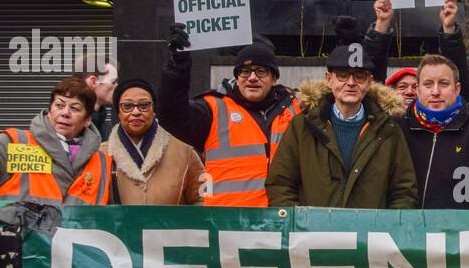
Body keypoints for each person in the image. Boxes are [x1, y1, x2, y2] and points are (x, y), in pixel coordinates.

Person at [265, 19, 417, 209]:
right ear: (329, 79)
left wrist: (388, 229)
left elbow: (404, 191)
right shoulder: (302, 126)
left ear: (370, 81)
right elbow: (281, 184)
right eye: (343, 75)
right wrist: (299, 225)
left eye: (359, 76)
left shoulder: (388, 130)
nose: (351, 83)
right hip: (312, 235)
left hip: (370, 237)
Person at [157, 27, 301, 207]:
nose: (252, 78)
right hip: (229, 225)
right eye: (245, 71)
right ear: (237, 77)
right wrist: (178, 65)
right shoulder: (213, 109)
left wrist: (346, 52)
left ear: (274, 78)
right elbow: (170, 115)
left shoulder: (297, 108)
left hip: (282, 222)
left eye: (261, 71)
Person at [0, 72, 113, 206]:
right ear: (50, 110)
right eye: (59, 105)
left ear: (88, 119)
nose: (65, 113)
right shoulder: (14, 142)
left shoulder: (102, 162)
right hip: (18, 251)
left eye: (75, 108)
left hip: (74, 253)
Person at [102, 78, 204, 205]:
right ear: (118, 112)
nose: (136, 112)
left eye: (144, 106)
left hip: (171, 224)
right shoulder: (102, 154)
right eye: (127, 106)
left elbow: (204, 197)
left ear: (154, 109)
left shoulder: (185, 151)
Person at [399, 53, 469, 209]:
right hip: (407, 229)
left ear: (457, 89)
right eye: (428, 84)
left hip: (458, 230)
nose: (435, 91)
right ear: (418, 89)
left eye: (443, 83)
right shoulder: (399, 129)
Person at [74, 51, 118, 140]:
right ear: (93, 82)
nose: (117, 86)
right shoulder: (69, 125)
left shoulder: (105, 127)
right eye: (113, 82)